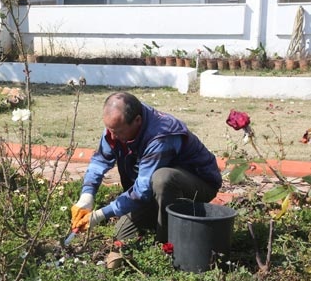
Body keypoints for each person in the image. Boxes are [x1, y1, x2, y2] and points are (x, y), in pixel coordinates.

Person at [70, 92, 222, 244]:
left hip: (198, 185)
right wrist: (87, 196)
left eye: (118, 132)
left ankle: (168, 244)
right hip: (155, 189)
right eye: (110, 130)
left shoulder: (161, 136)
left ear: (137, 120)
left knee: (163, 178)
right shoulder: (118, 125)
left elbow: (141, 190)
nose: (113, 136)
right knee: (122, 233)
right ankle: (169, 217)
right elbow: (101, 160)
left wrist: (101, 214)